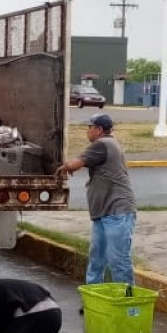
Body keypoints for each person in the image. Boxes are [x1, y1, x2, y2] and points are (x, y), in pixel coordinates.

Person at [59, 113, 137, 287]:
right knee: (97, 259)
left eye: (90, 127)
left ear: (99, 129)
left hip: (117, 212)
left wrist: (63, 166)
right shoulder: (109, 145)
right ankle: (93, 298)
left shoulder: (102, 144)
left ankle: (127, 300)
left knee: (118, 261)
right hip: (103, 214)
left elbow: (73, 165)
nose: (87, 131)